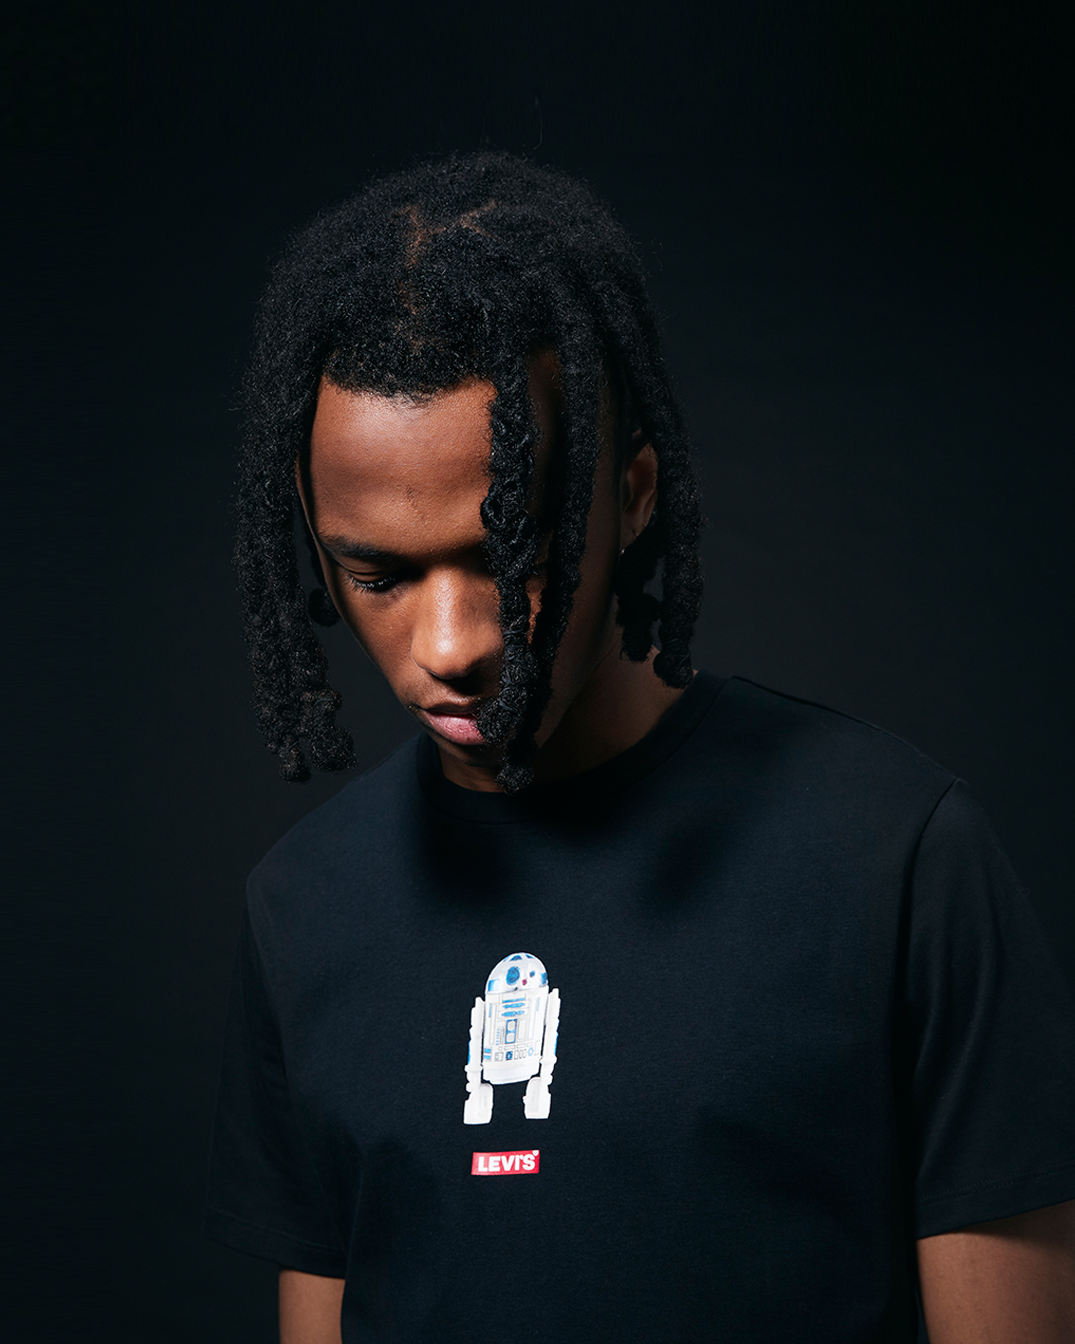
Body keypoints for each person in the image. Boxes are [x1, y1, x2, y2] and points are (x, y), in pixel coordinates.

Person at [204, 153, 1075, 1343]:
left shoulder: (898, 859)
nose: (451, 646)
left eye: (510, 556)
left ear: (635, 490)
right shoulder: (302, 909)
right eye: (379, 575)